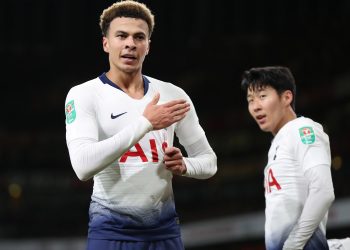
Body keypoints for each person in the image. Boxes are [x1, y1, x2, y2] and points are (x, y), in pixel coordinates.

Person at [64, 1, 217, 249]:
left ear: (148, 46)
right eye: (121, 36)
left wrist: (184, 165)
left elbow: (209, 162)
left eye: (139, 37)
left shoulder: (172, 94)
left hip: (165, 233)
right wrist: (146, 123)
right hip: (111, 234)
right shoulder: (84, 94)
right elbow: (82, 167)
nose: (130, 44)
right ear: (106, 43)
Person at [241, 66, 336, 250]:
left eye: (262, 96)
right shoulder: (278, 142)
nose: (255, 106)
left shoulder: (302, 129)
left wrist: (293, 244)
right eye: (250, 100)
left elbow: (323, 190)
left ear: (286, 97)